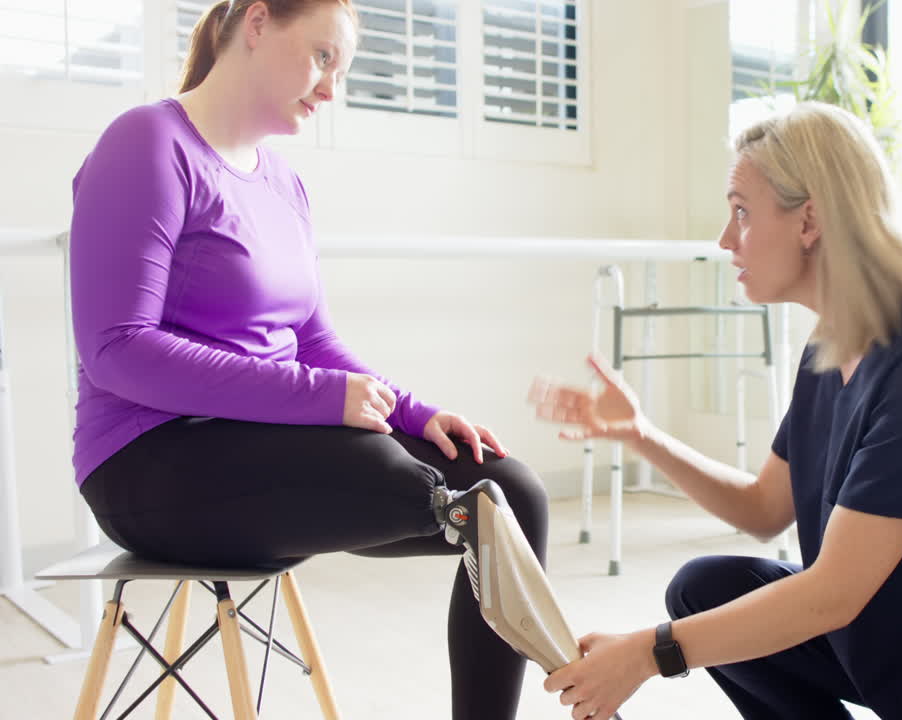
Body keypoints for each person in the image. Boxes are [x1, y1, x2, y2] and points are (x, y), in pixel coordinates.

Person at [529, 102, 902, 720]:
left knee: (745, 610)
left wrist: (648, 653)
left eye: (742, 212)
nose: (727, 239)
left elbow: (832, 593)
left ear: (809, 220)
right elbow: (763, 508)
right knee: (704, 590)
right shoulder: (831, 346)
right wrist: (642, 435)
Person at [68, 2, 547, 717]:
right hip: (147, 463)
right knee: (407, 484)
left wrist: (420, 413)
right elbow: (117, 352)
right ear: (257, 23)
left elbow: (315, 343)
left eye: (341, 70)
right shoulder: (147, 143)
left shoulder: (283, 186)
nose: (332, 88)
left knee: (509, 489)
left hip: (268, 448)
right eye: (323, 57)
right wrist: (319, 399)